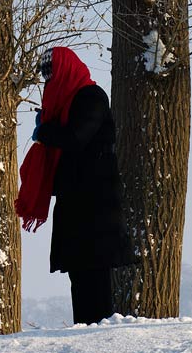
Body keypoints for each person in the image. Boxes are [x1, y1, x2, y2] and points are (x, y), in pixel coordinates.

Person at [15, 46, 136, 325]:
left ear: (64, 71)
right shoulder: (64, 105)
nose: (49, 83)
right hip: (76, 205)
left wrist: (44, 131)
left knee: (94, 273)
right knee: (79, 274)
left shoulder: (90, 96)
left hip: (96, 207)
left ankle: (98, 330)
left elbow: (76, 138)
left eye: (51, 75)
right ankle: (84, 329)